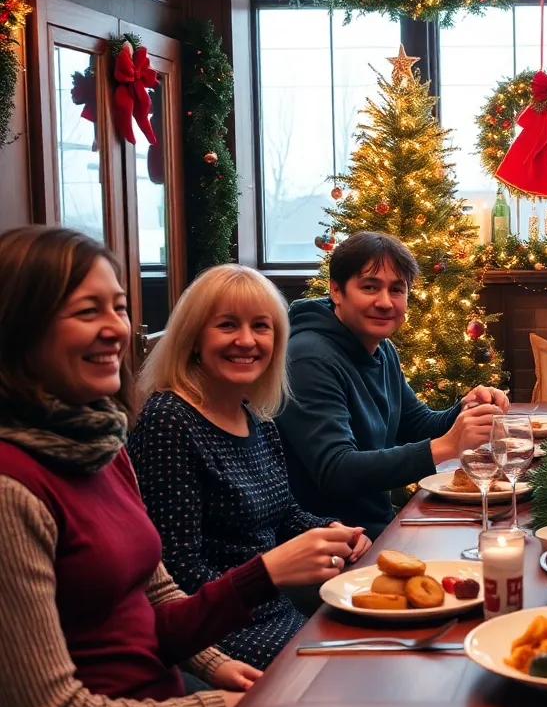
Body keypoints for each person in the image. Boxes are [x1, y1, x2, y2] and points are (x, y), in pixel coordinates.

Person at [0, 226, 343, 707]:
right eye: (86, 311)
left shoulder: (101, 448)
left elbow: (154, 593)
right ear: (19, 329)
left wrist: (216, 664)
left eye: (119, 308)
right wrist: (211, 706)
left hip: (185, 675)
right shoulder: (14, 489)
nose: (117, 328)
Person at [129, 264, 372, 671]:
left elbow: (284, 516)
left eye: (261, 327)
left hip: (272, 608)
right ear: (193, 338)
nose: (246, 340)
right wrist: (269, 573)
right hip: (219, 631)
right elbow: (176, 572)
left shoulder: (257, 418)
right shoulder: (170, 420)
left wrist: (331, 530)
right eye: (227, 325)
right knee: (353, 673)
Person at [277, 231, 508, 538]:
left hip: (377, 528)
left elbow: (416, 423)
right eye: (370, 287)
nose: (385, 303)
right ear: (336, 291)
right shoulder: (308, 358)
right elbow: (336, 471)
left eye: (397, 290)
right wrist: (446, 446)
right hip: (331, 542)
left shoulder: (381, 348)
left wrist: (465, 409)